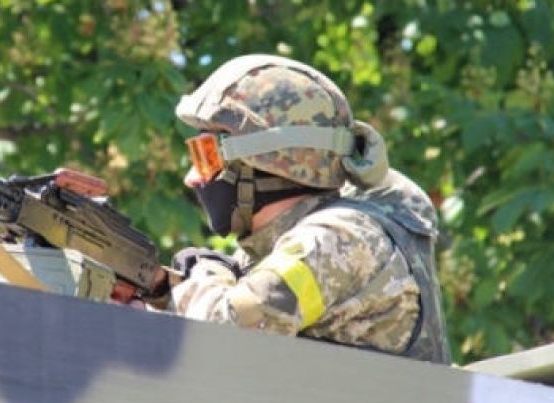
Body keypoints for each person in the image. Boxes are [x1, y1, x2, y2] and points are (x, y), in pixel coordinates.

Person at [148, 54, 450, 364]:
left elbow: (224, 335)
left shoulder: (338, 238)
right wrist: (156, 288)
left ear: (268, 163)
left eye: (207, 156)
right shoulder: (275, 248)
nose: (192, 178)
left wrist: (206, 271)